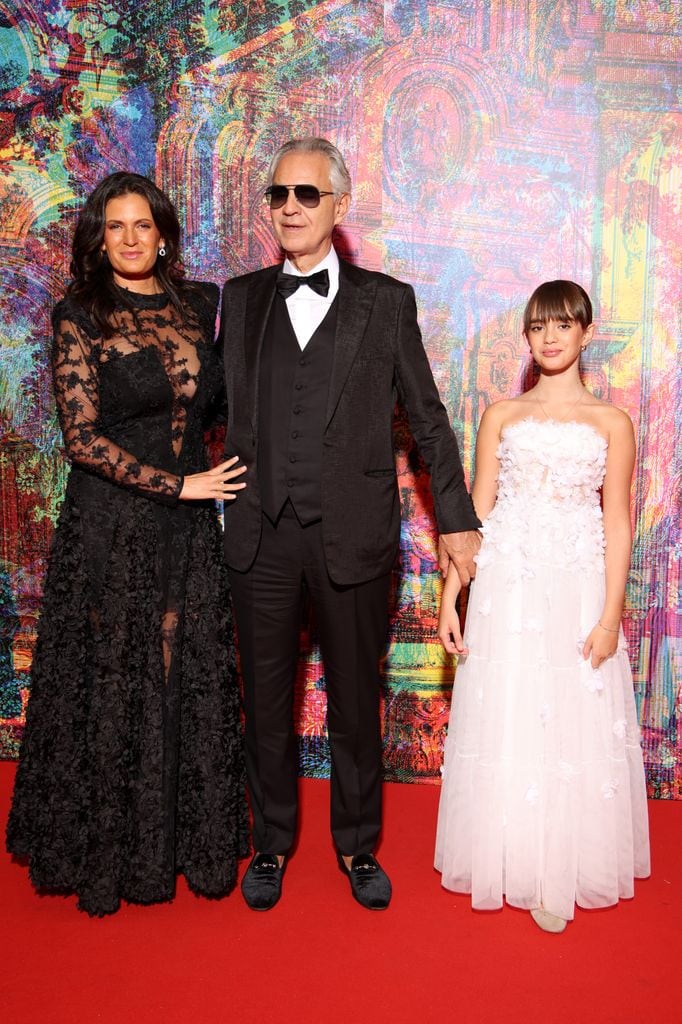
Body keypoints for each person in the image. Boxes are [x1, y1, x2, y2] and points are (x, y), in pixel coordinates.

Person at [219, 136, 481, 911]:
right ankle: (269, 843)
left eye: (307, 194)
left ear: (339, 205)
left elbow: (428, 420)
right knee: (264, 702)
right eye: (278, 194)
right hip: (260, 537)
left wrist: (458, 522)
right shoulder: (239, 298)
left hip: (354, 535)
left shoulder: (386, 301)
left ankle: (358, 847)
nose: (290, 207)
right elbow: (205, 407)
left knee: (355, 705)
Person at [6, 172, 249, 916]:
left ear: (164, 232)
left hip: (187, 522)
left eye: (143, 224)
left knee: (184, 661)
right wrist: (182, 487)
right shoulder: (80, 313)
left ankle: (177, 839)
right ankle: (113, 849)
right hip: (113, 520)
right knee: (116, 670)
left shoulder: (201, 303)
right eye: (116, 227)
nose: (132, 238)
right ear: (99, 238)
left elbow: (234, 397)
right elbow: (81, 439)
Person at [435, 280, 650, 932]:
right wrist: (453, 597)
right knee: (509, 713)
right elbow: (475, 514)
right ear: (527, 338)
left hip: (579, 585)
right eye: (539, 326)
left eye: (563, 325)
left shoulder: (613, 422)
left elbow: (618, 522)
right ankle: (511, 857)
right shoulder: (501, 414)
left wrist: (610, 617)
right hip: (507, 587)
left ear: (586, 333)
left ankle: (561, 871)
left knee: (570, 720)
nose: (551, 337)